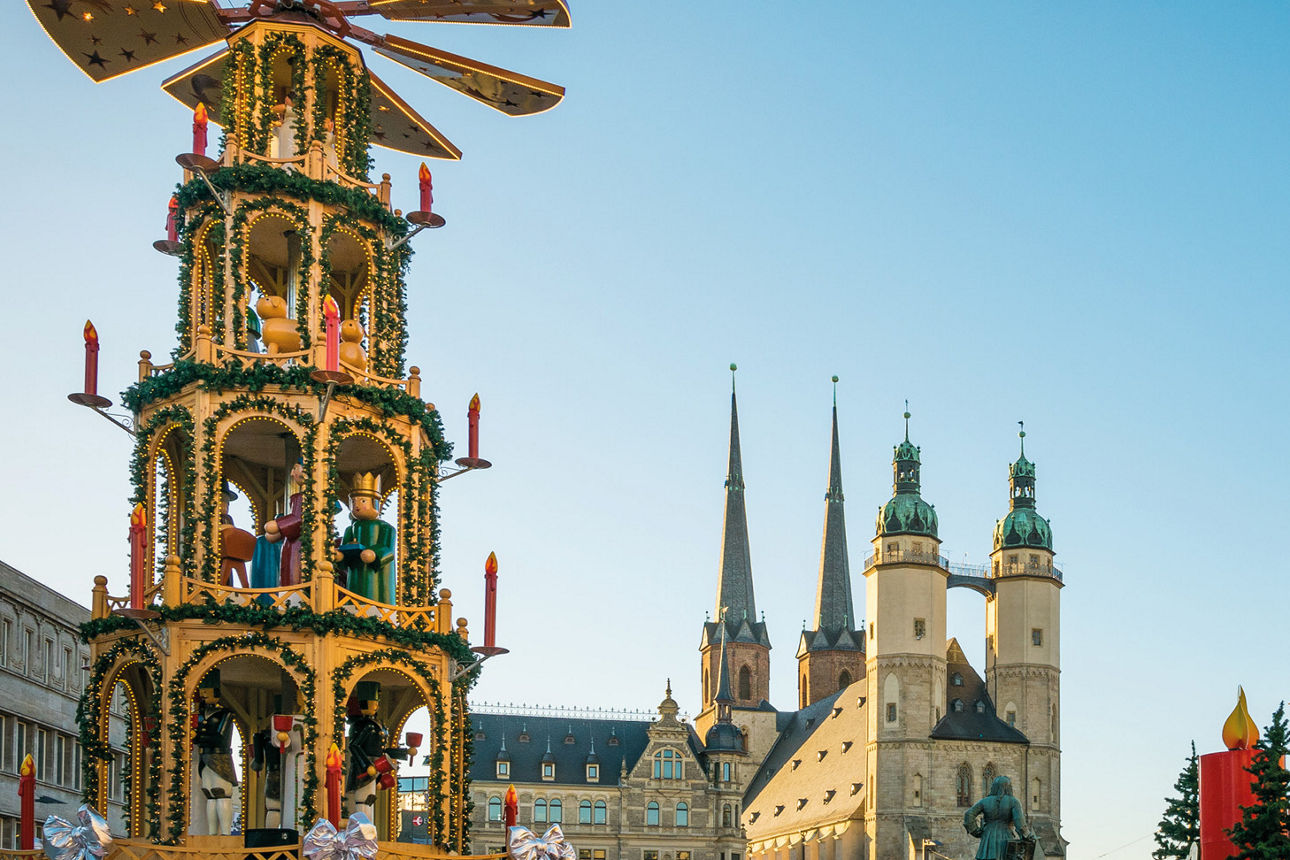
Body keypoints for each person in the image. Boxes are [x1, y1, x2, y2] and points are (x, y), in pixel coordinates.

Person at [345, 681, 407, 821]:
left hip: (376, 766)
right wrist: (366, 765)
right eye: (373, 702)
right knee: (364, 797)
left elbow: (382, 750)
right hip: (367, 767)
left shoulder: (378, 725)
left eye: (377, 702)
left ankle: (368, 823)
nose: (376, 705)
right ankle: (363, 824)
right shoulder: (361, 725)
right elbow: (354, 745)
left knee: (370, 797)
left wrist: (403, 753)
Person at [335, 473, 396, 604]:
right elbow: (345, 550)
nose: (356, 505)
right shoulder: (350, 529)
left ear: (374, 503)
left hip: (377, 579)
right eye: (354, 502)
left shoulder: (386, 528)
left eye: (362, 501)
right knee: (354, 595)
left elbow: (387, 550)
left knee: (374, 596)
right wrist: (341, 556)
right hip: (356, 575)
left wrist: (374, 553)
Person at [194, 671, 238, 835]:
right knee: (210, 793)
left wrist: (198, 737)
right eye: (202, 692)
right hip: (205, 758)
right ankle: (213, 833)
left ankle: (226, 833)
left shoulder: (225, 714)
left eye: (207, 691)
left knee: (222, 793)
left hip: (220, 757)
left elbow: (220, 735)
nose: (204, 695)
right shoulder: (199, 715)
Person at [963, 775, 1032, 860]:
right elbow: (1020, 824)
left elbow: (968, 814)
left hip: (987, 838)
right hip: (1005, 837)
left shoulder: (985, 801)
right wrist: (1028, 836)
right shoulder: (1014, 802)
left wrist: (976, 831)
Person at [263, 460, 305, 587]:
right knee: (288, 574)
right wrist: (280, 532)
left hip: (300, 546)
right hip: (291, 544)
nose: (292, 473)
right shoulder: (298, 497)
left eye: (295, 469)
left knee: (295, 574)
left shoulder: (305, 498)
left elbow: (298, 519)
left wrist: (278, 525)